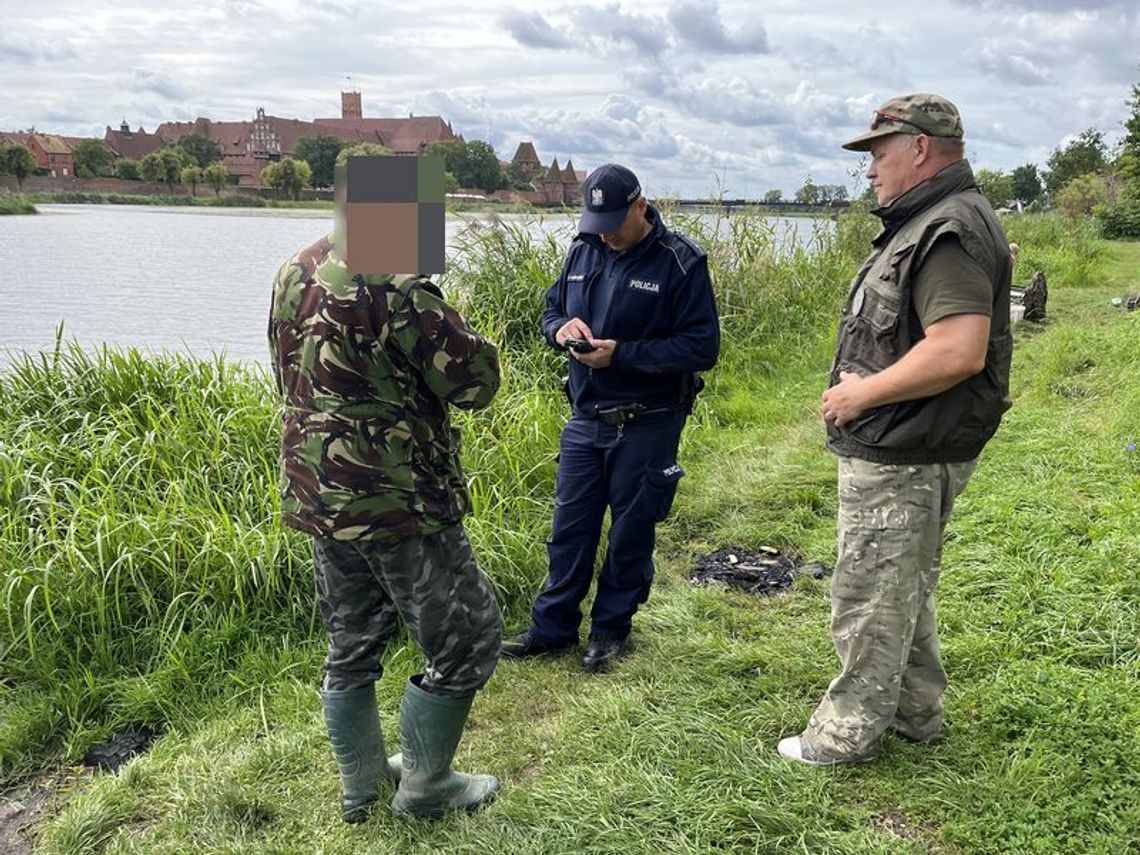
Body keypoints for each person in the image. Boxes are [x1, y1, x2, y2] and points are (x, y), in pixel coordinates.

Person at [777, 95, 1013, 765]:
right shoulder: (932, 219)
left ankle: (845, 733)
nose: (871, 169)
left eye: (878, 152)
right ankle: (914, 710)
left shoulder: (948, 227)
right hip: (908, 439)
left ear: (919, 147)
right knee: (901, 579)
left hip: (906, 446)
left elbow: (958, 348)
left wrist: (861, 395)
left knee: (871, 590)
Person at [267, 159, 503, 820]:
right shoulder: (399, 287)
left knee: (351, 640)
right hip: (399, 503)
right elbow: (475, 384)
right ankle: (427, 788)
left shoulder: (293, 272)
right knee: (466, 637)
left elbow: (289, 372)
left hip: (318, 495)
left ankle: (362, 785)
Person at [501, 163, 720, 673]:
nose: (607, 236)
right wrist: (560, 331)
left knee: (630, 532)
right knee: (568, 529)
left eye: (614, 224)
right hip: (585, 416)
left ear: (640, 206)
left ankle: (609, 632)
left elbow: (701, 346)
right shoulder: (583, 249)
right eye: (597, 224)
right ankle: (551, 630)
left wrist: (619, 354)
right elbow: (550, 310)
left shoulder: (681, 262)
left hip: (649, 419)